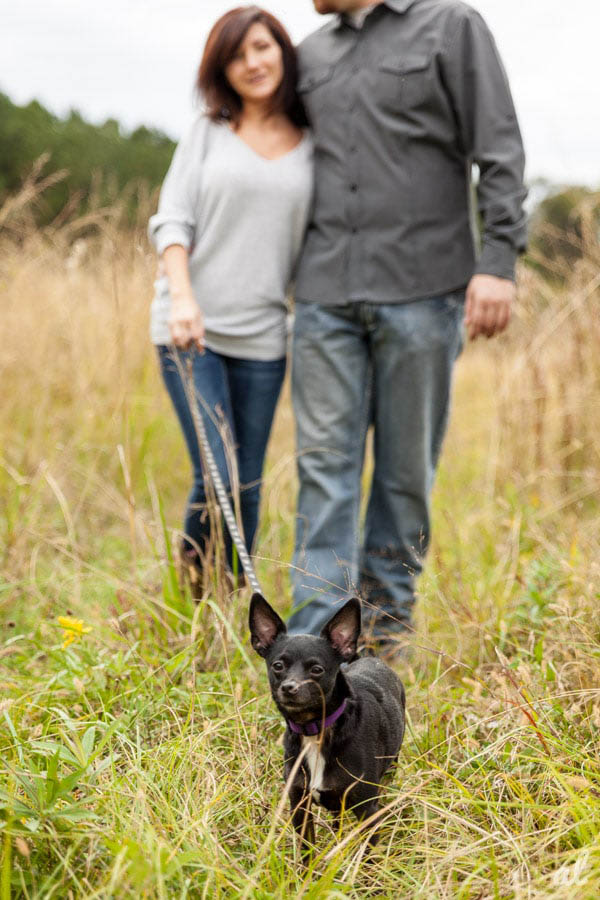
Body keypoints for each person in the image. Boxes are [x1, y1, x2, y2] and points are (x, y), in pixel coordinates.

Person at [288, 0, 527, 649]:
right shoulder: (308, 55)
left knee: (403, 476)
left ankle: (386, 639)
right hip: (323, 295)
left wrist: (499, 259)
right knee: (324, 473)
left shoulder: (453, 27)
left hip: (424, 293)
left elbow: (499, 150)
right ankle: (316, 651)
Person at [149, 6, 312, 589]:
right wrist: (183, 299)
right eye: (237, 55)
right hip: (192, 330)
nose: (253, 63)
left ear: (283, 53)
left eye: (262, 48)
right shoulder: (207, 132)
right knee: (215, 467)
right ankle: (199, 595)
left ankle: (236, 604)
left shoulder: (312, 142)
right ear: (223, 69)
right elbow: (171, 221)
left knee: (246, 479)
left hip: (266, 337)